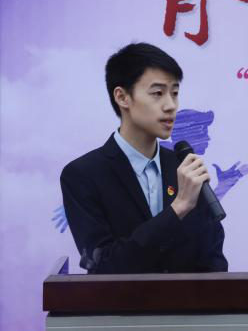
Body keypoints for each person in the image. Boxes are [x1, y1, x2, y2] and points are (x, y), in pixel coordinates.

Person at [60, 42, 227, 274]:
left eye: (175, 93)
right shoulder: (82, 175)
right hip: (119, 300)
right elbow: (103, 265)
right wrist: (178, 208)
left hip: (189, 299)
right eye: (158, 93)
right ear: (122, 97)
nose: (171, 106)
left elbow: (214, 263)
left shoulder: (185, 170)